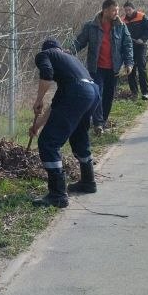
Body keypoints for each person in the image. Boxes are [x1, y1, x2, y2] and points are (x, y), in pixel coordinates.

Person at [28, 39, 100, 207]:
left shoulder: (45, 54)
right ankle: (88, 182)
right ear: (60, 49)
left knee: (48, 143)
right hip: (92, 92)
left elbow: (46, 73)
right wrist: (36, 126)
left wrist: (39, 100)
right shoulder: (70, 64)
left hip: (78, 93)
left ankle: (58, 194)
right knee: (79, 136)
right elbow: (56, 107)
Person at [71, 0, 133, 133]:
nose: (116, 13)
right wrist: (69, 51)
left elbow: (127, 45)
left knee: (109, 96)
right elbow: (80, 42)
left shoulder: (121, 26)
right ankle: (98, 122)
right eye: (113, 10)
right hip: (96, 67)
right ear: (105, 11)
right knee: (97, 94)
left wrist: (129, 63)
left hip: (113, 68)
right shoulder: (91, 26)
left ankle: (102, 122)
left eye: (117, 10)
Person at [121, 1, 148, 101]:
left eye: (129, 10)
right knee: (130, 70)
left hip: (141, 46)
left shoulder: (141, 17)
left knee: (141, 68)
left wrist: (143, 39)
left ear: (133, 9)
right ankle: (134, 93)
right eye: (126, 10)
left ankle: (146, 93)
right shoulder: (123, 21)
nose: (128, 12)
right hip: (130, 48)